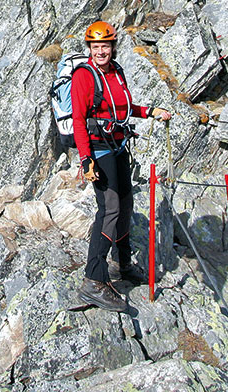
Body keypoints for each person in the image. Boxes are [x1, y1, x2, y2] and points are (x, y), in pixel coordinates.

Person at [71, 20, 171, 311]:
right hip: (98, 149)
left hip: (119, 145)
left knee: (126, 204)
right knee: (110, 209)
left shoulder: (117, 71)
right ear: (89, 48)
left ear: (113, 47)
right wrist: (86, 159)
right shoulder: (84, 77)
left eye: (105, 45)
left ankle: (122, 264)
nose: (101, 51)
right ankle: (93, 280)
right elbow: (79, 120)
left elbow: (124, 108)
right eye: (96, 46)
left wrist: (151, 111)